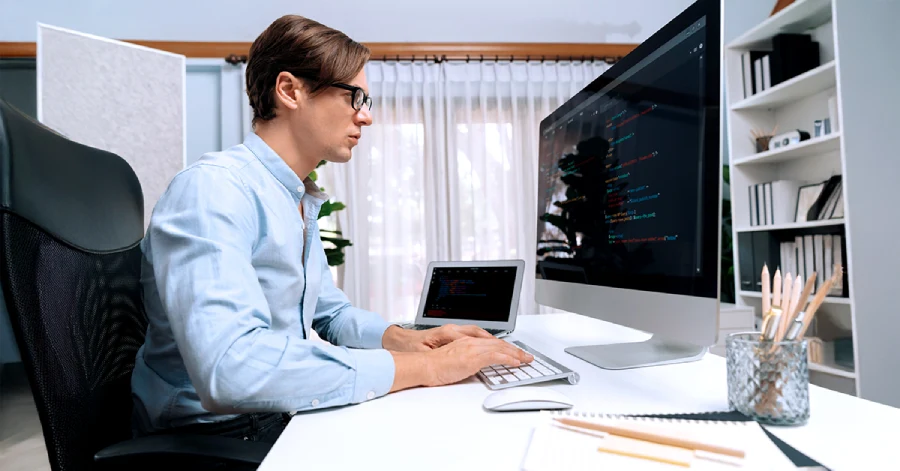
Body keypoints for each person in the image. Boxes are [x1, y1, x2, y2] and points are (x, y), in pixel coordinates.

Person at [130, 14, 533, 444]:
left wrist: (407, 341)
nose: (366, 117)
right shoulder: (214, 190)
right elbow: (232, 369)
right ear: (290, 90)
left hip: (270, 413)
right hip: (218, 436)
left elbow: (331, 313)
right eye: (354, 96)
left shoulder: (294, 198)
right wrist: (428, 368)